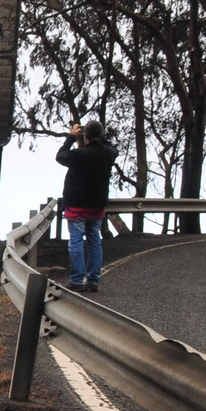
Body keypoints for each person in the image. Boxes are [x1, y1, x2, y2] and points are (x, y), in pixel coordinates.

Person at [56, 119, 118, 292]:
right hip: (97, 206)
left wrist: (71, 137)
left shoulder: (79, 155)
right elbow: (111, 148)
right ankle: (93, 280)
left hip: (77, 204)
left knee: (76, 242)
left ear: (86, 135)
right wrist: (98, 137)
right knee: (94, 242)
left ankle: (76, 280)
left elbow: (60, 156)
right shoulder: (109, 154)